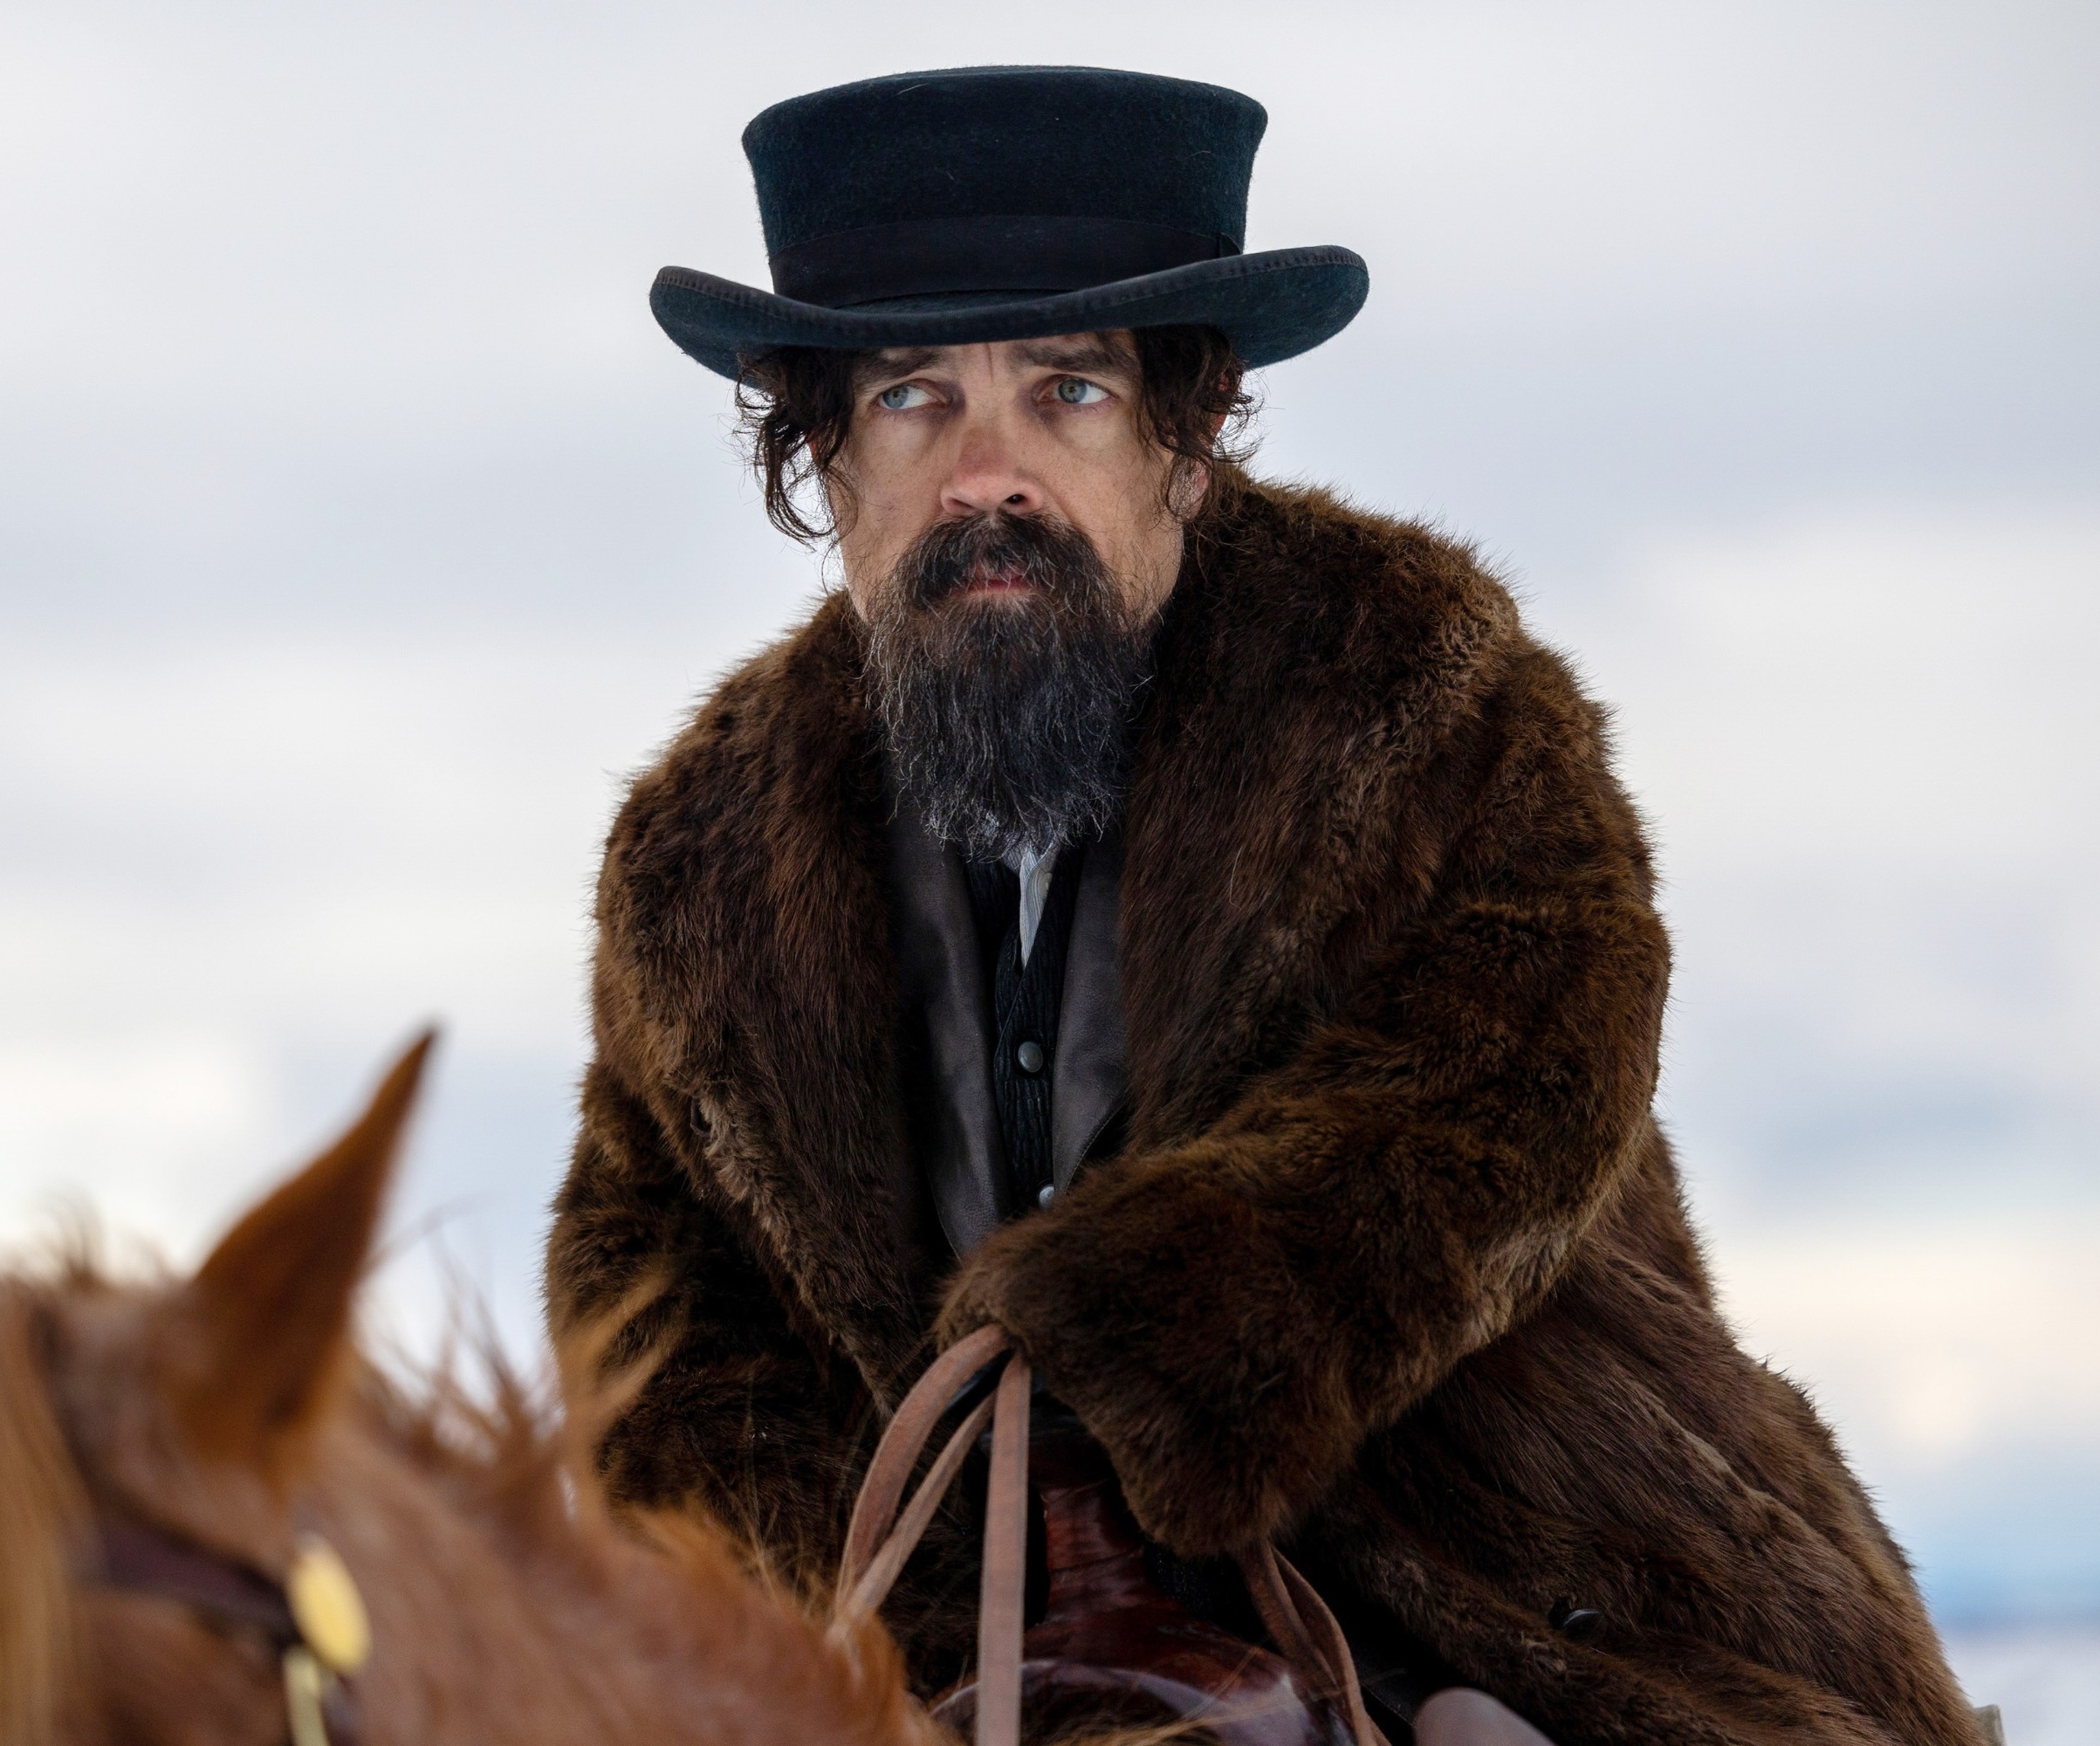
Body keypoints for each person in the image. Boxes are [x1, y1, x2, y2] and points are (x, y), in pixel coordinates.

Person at [545, 65, 1979, 1746]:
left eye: (1067, 391)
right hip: (953, 1645)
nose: (985, 473)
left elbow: (1523, 1073)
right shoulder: (693, 869)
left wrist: (1166, 1325)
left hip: (1517, 1570)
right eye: (911, 398)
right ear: (825, 455)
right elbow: (644, 1315)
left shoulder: (1424, 694)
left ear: (1189, 435)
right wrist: (908, 1606)